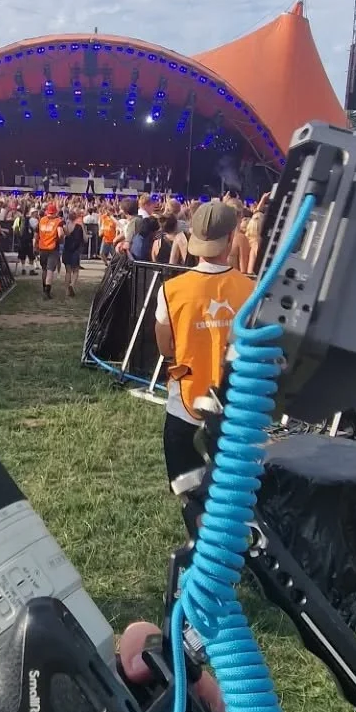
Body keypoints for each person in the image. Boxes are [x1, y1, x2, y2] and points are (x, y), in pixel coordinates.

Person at [152, 202, 255, 526]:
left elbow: (165, 346)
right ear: (230, 239)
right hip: (235, 406)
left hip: (183, 402)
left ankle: (199, 545)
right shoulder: (251, 290)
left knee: (189, 490)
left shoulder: (171, 290)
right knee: (230, 490)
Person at [35, 203, 63, 300]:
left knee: (44, 269)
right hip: (53, 248)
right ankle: (47, 291)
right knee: (50, 270)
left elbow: (36, 234)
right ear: (55, 212)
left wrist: (35, 245)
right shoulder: (58, 221)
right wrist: (61, 240)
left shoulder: (41, 220)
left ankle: (43, 287)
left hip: (42, 248)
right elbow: (60, 234)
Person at [60, 207, 84, 297]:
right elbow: (83, 239)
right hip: (75, 251)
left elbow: (61, 238)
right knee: (76, 271)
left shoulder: (64, 227)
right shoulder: (78, 227)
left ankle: (66, 290)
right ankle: (72, 285)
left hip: (66, 250)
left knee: (68, 271)